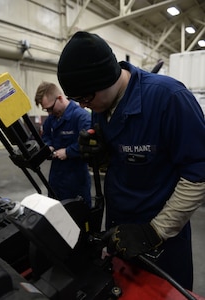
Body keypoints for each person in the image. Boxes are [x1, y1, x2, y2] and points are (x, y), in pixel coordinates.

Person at [56, 31, 205, 290]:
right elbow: (122, 163)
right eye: (77, 100)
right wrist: (98, 156)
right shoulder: (101, 107)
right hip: (119, 231)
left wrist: (155, 230)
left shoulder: (168, 98)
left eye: (86, 99)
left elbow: (199, 172)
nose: (84, 107)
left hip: (162, 238)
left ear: (106, 79)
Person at [34, 81, 92, 207]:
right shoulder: (52, 118)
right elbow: (46, 136)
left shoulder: (81, 117)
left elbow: (89, 143)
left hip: (76, 178)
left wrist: (68, 152)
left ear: (60, 98)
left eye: (50, 108)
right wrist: (48, 145)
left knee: (77, 215)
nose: (49, 113)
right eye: (46, 110)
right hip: (56, 177)